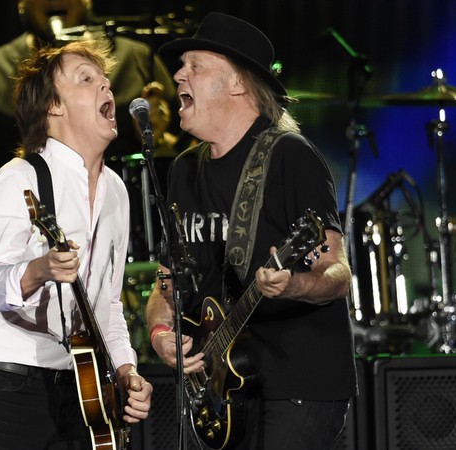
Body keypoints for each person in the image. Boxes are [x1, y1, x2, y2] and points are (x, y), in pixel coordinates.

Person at [145, 12, 358, 449]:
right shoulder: (184, 170)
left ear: (238, 84)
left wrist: (293, 284)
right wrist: (160, 334)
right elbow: (165, 282)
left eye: (195, 66)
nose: (178, 74)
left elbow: (338, 274)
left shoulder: (290, 158)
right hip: (221, 392)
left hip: (295, 384)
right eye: (181, 66)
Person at [0, 38, 152, 448]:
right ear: (53, 107)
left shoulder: (116, 190)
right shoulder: (18, 180)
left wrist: (126, 369)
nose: (106, 88)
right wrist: (39, 270)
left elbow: (107, 305)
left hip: (79, 385)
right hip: (4, 383)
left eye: (106, 80)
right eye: (86, 79)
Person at [0, 0, 177, 203]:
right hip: (28, 241)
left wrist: (159, 136)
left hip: (123, 233)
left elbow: (190, 157)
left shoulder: (137, 59)